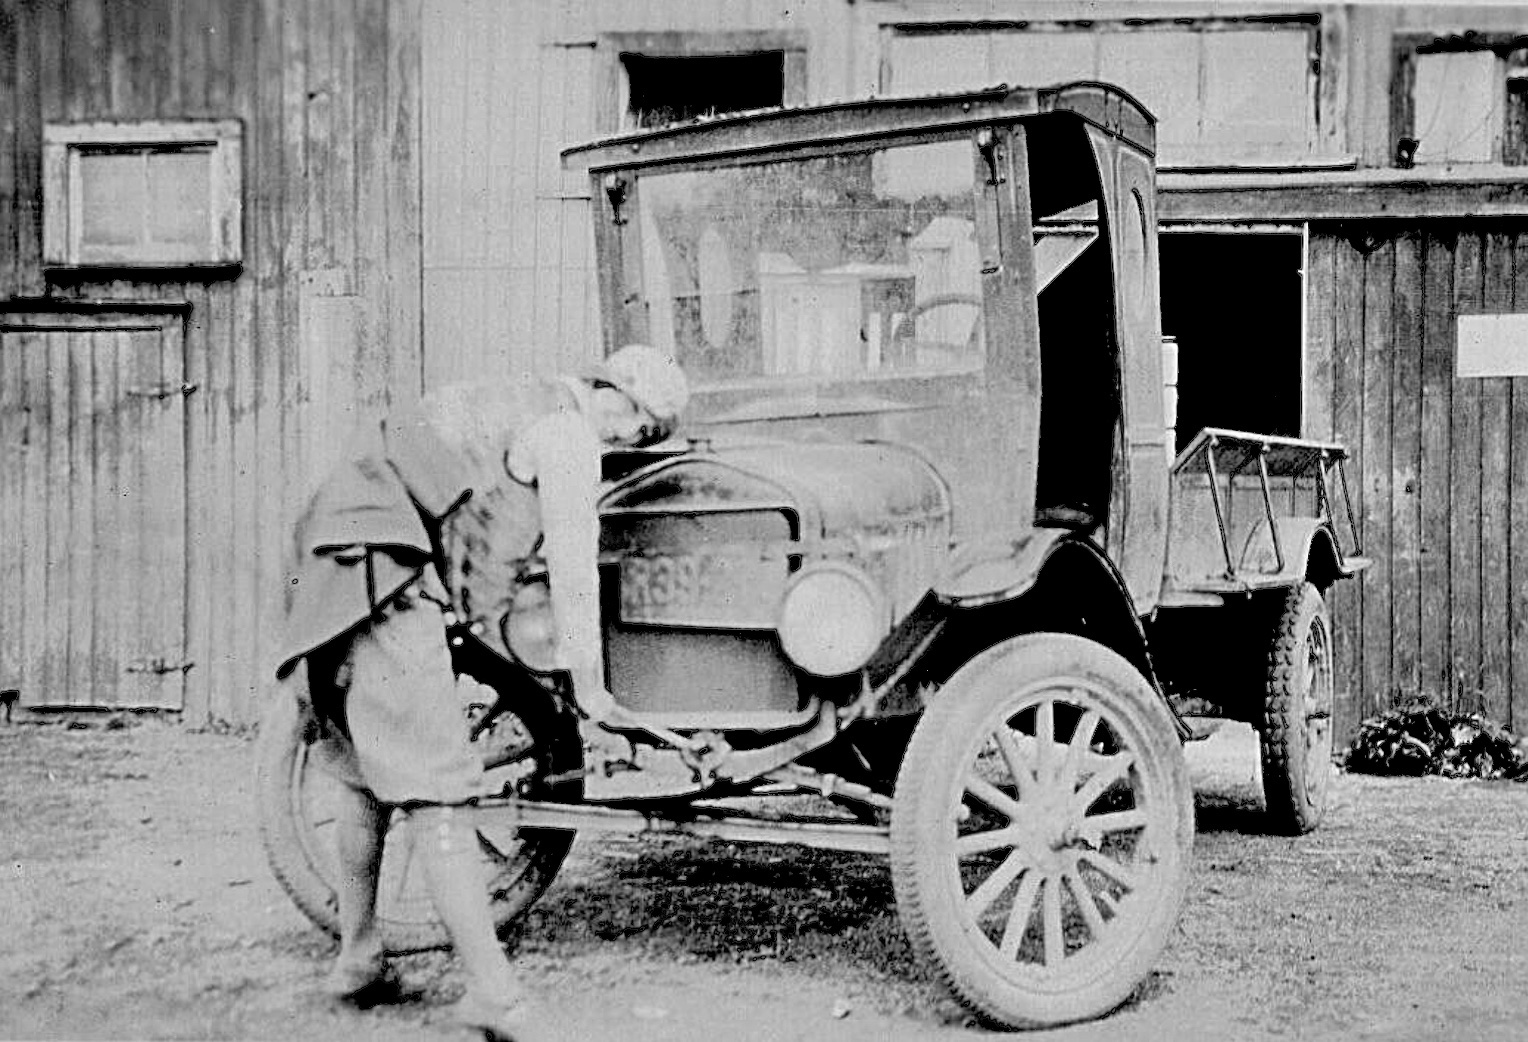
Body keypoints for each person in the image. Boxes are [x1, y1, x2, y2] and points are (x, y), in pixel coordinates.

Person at [273, 345, 689, 1042]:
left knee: (359, 779)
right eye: (640, 425)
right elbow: (573, 567)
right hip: (383, 568)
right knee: (439, 793)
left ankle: (359, 956)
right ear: (612, 394)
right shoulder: (567, 433)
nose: (631, 440)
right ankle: (494, 994)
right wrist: (591, 688)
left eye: (647, 437)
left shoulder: (516, 395)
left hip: (331, 552)